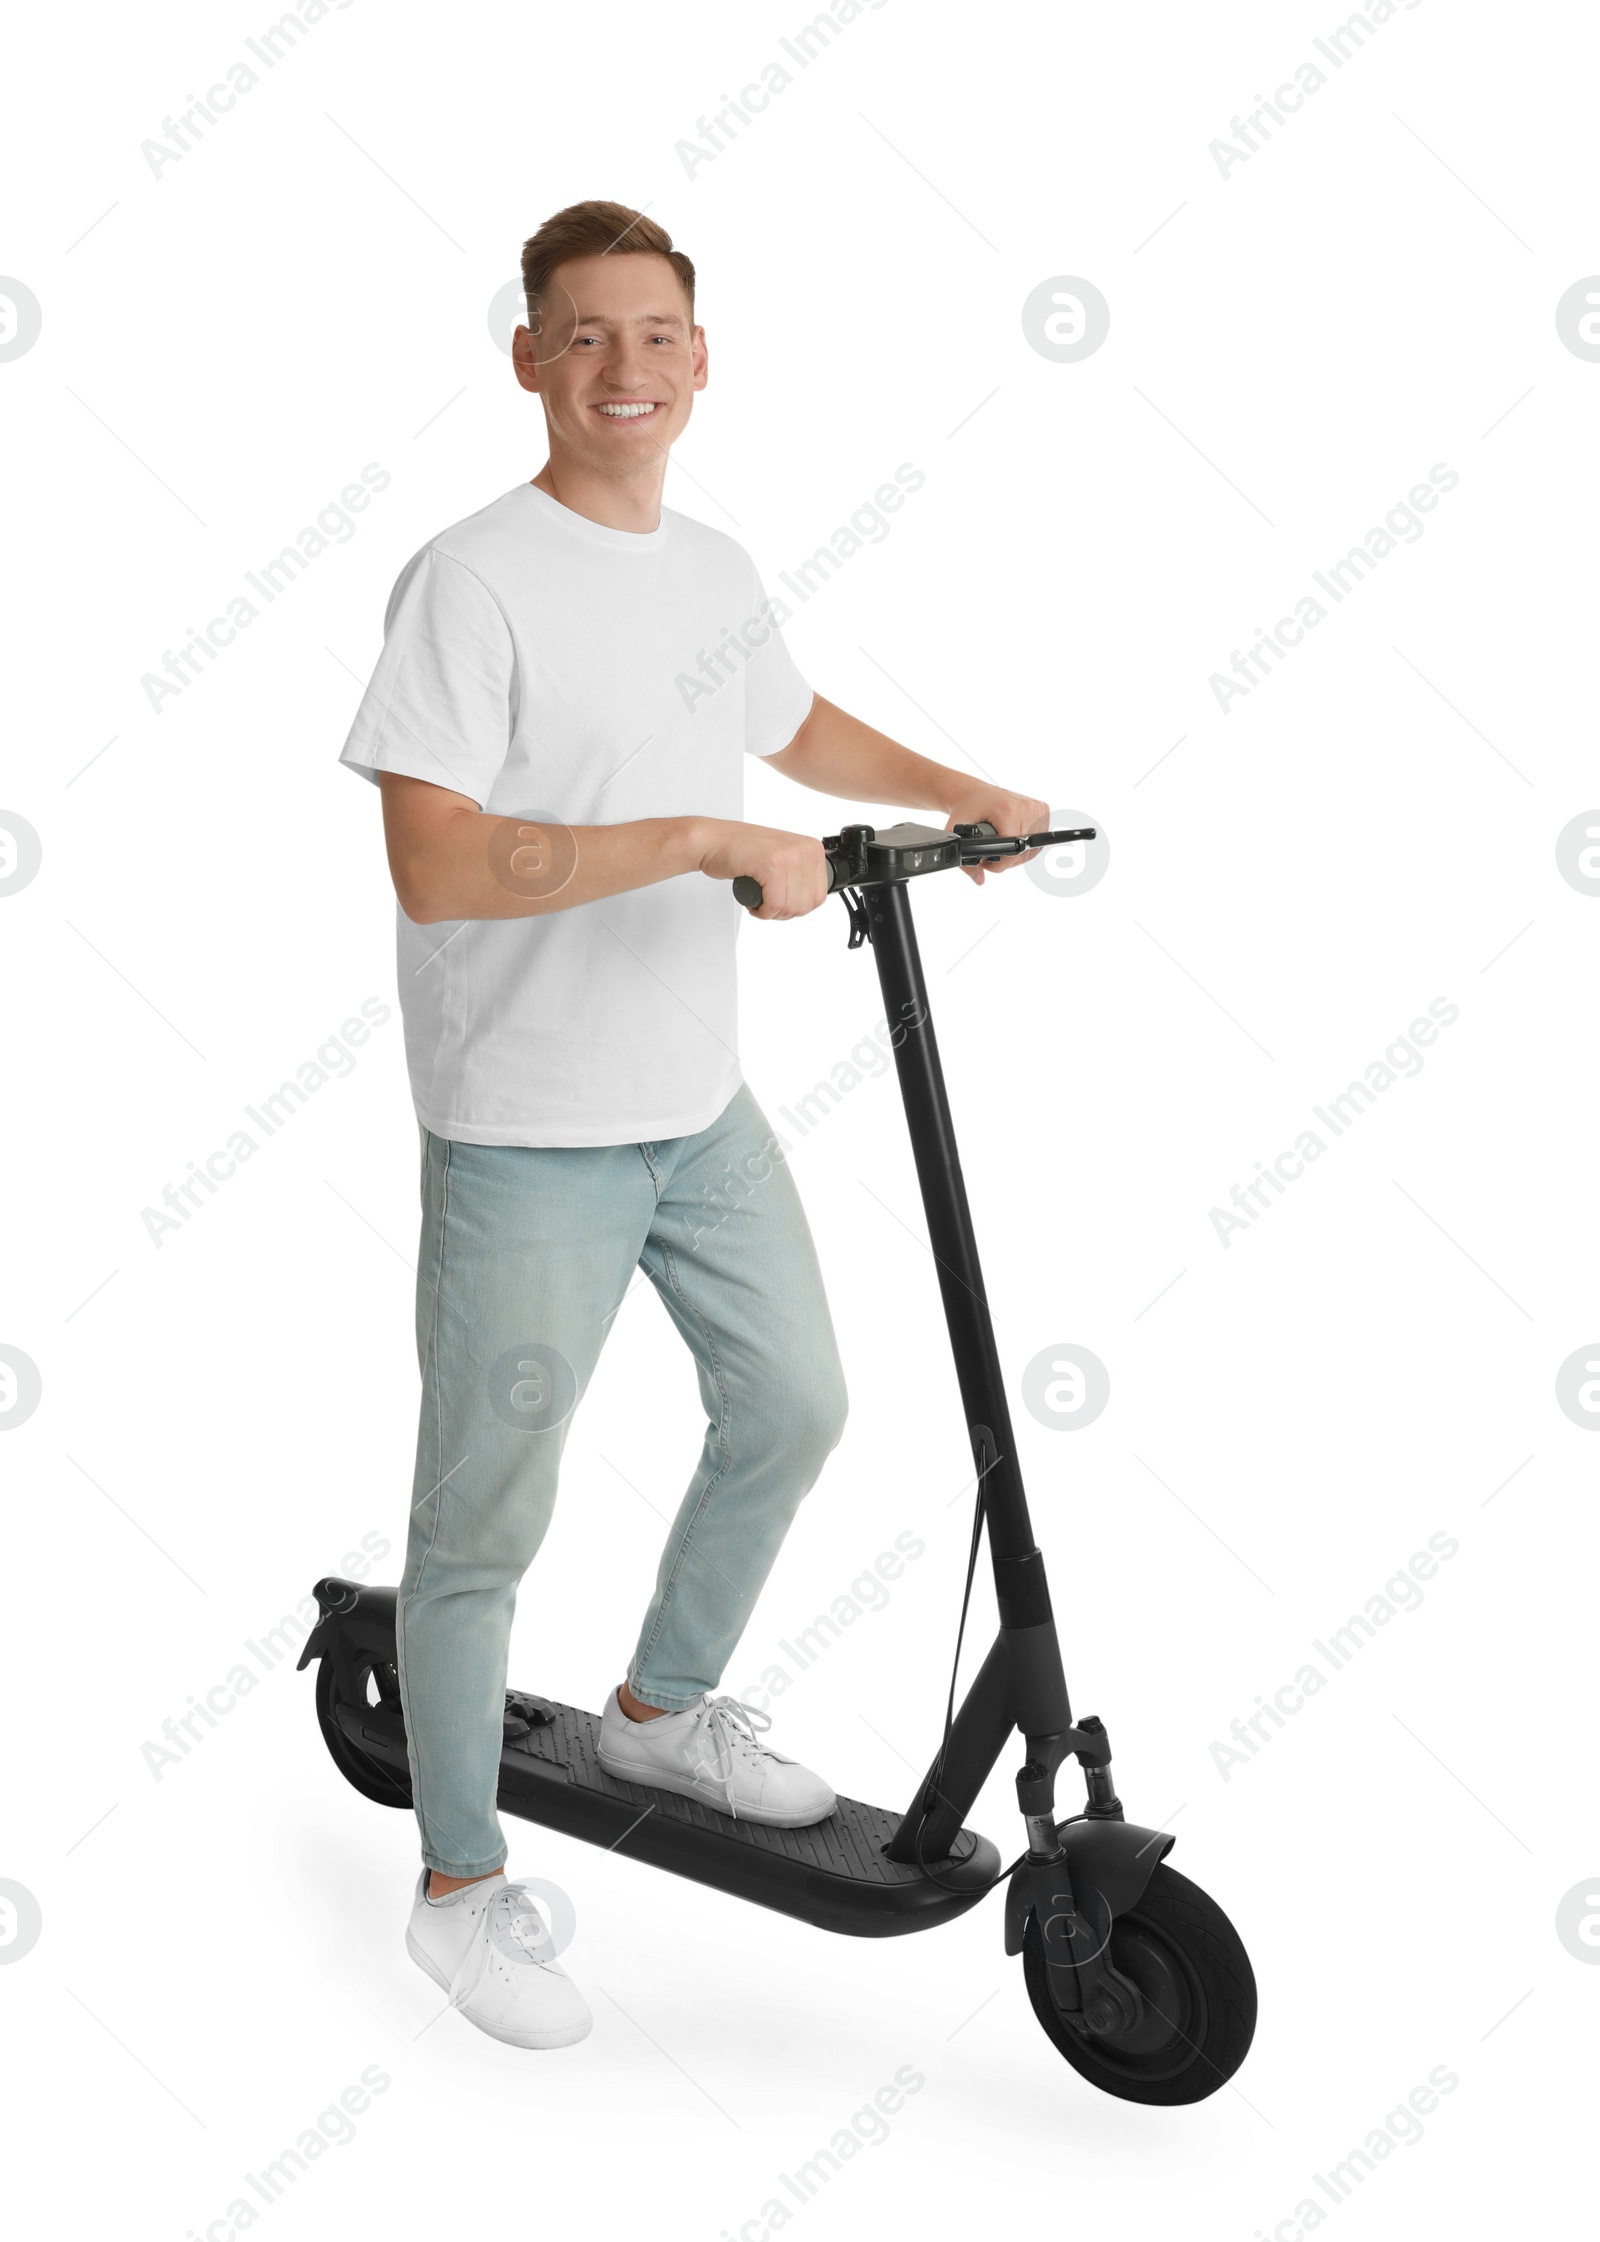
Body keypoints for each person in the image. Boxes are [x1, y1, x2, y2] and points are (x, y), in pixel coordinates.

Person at [338, 199, 1048, 2051]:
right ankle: (459, 1888)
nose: (624, 371)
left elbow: (790, 725)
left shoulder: (712, 564)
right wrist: (707, 840)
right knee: (484, 1517)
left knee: (799, 1399)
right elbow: (433, 863)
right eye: (582, 337)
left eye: (656, 335)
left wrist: (954, 785)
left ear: (703, 358)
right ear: (526, 361)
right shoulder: (468, 579)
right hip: (523, 1126)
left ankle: (661, 1712)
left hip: (692, 1101)